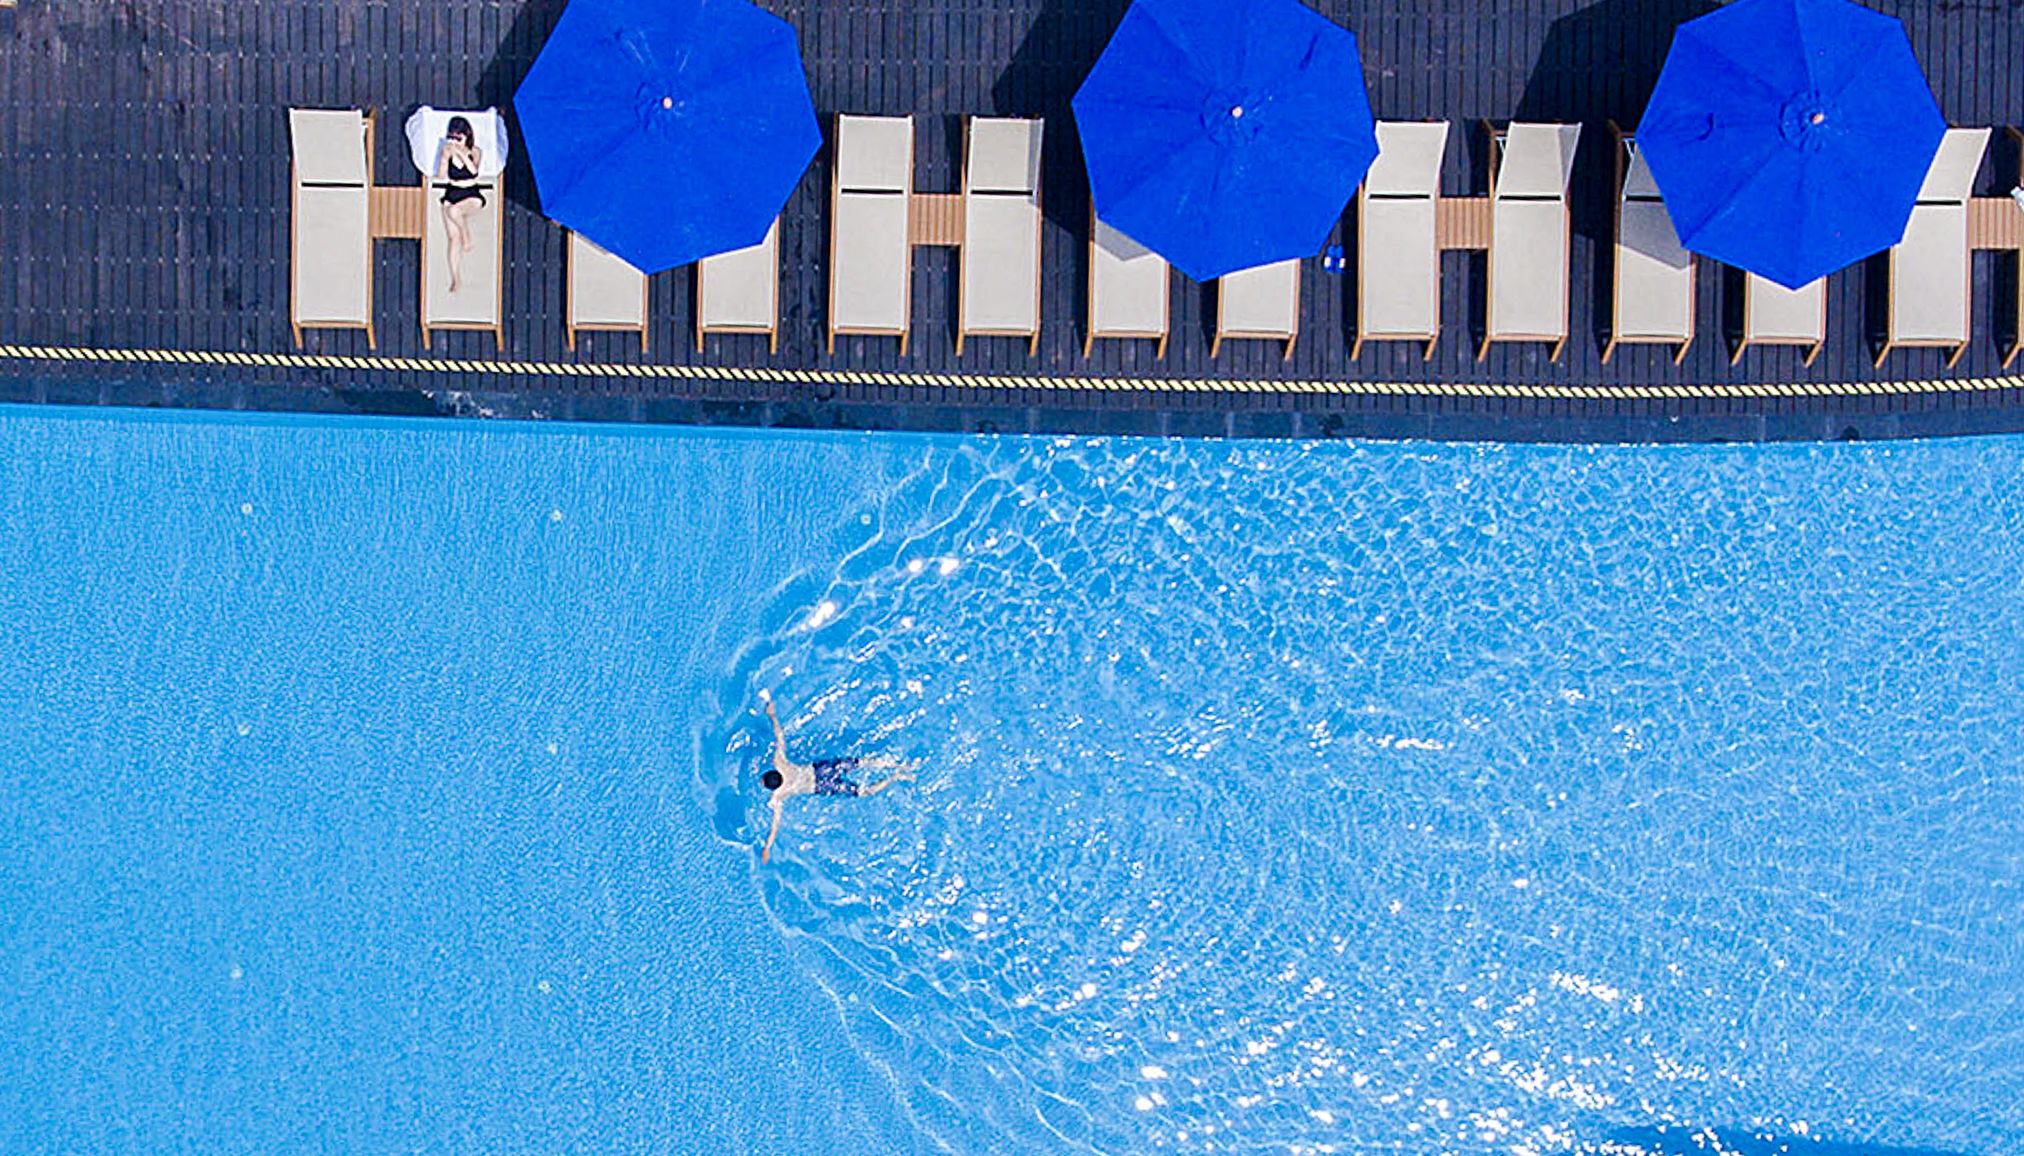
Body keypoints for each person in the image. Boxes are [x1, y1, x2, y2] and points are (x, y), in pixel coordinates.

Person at [759, 690, 915, 863]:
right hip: (821, 770)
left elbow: (775, 825)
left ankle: (895, 777)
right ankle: (900, 766)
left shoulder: (778, 796)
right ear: (773, 771)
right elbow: (779, 736)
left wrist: (767, 847)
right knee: (862, 762)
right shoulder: (780, 762)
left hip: (821, 787)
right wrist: (772, 714)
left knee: (864, 792)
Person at [434, 116, 486, 293]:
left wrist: (462, 153)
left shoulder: (475, 151)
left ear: (466, 135)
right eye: (453, 137)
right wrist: (445, 156)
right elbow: (441, 176)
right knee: (452, 238)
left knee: (454, 211)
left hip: (471, 193)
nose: (455, 141)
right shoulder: (447, 151)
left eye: (459, 137)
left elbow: (473, 171)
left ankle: (467, 236)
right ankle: (455, 277)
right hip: (452, 191)